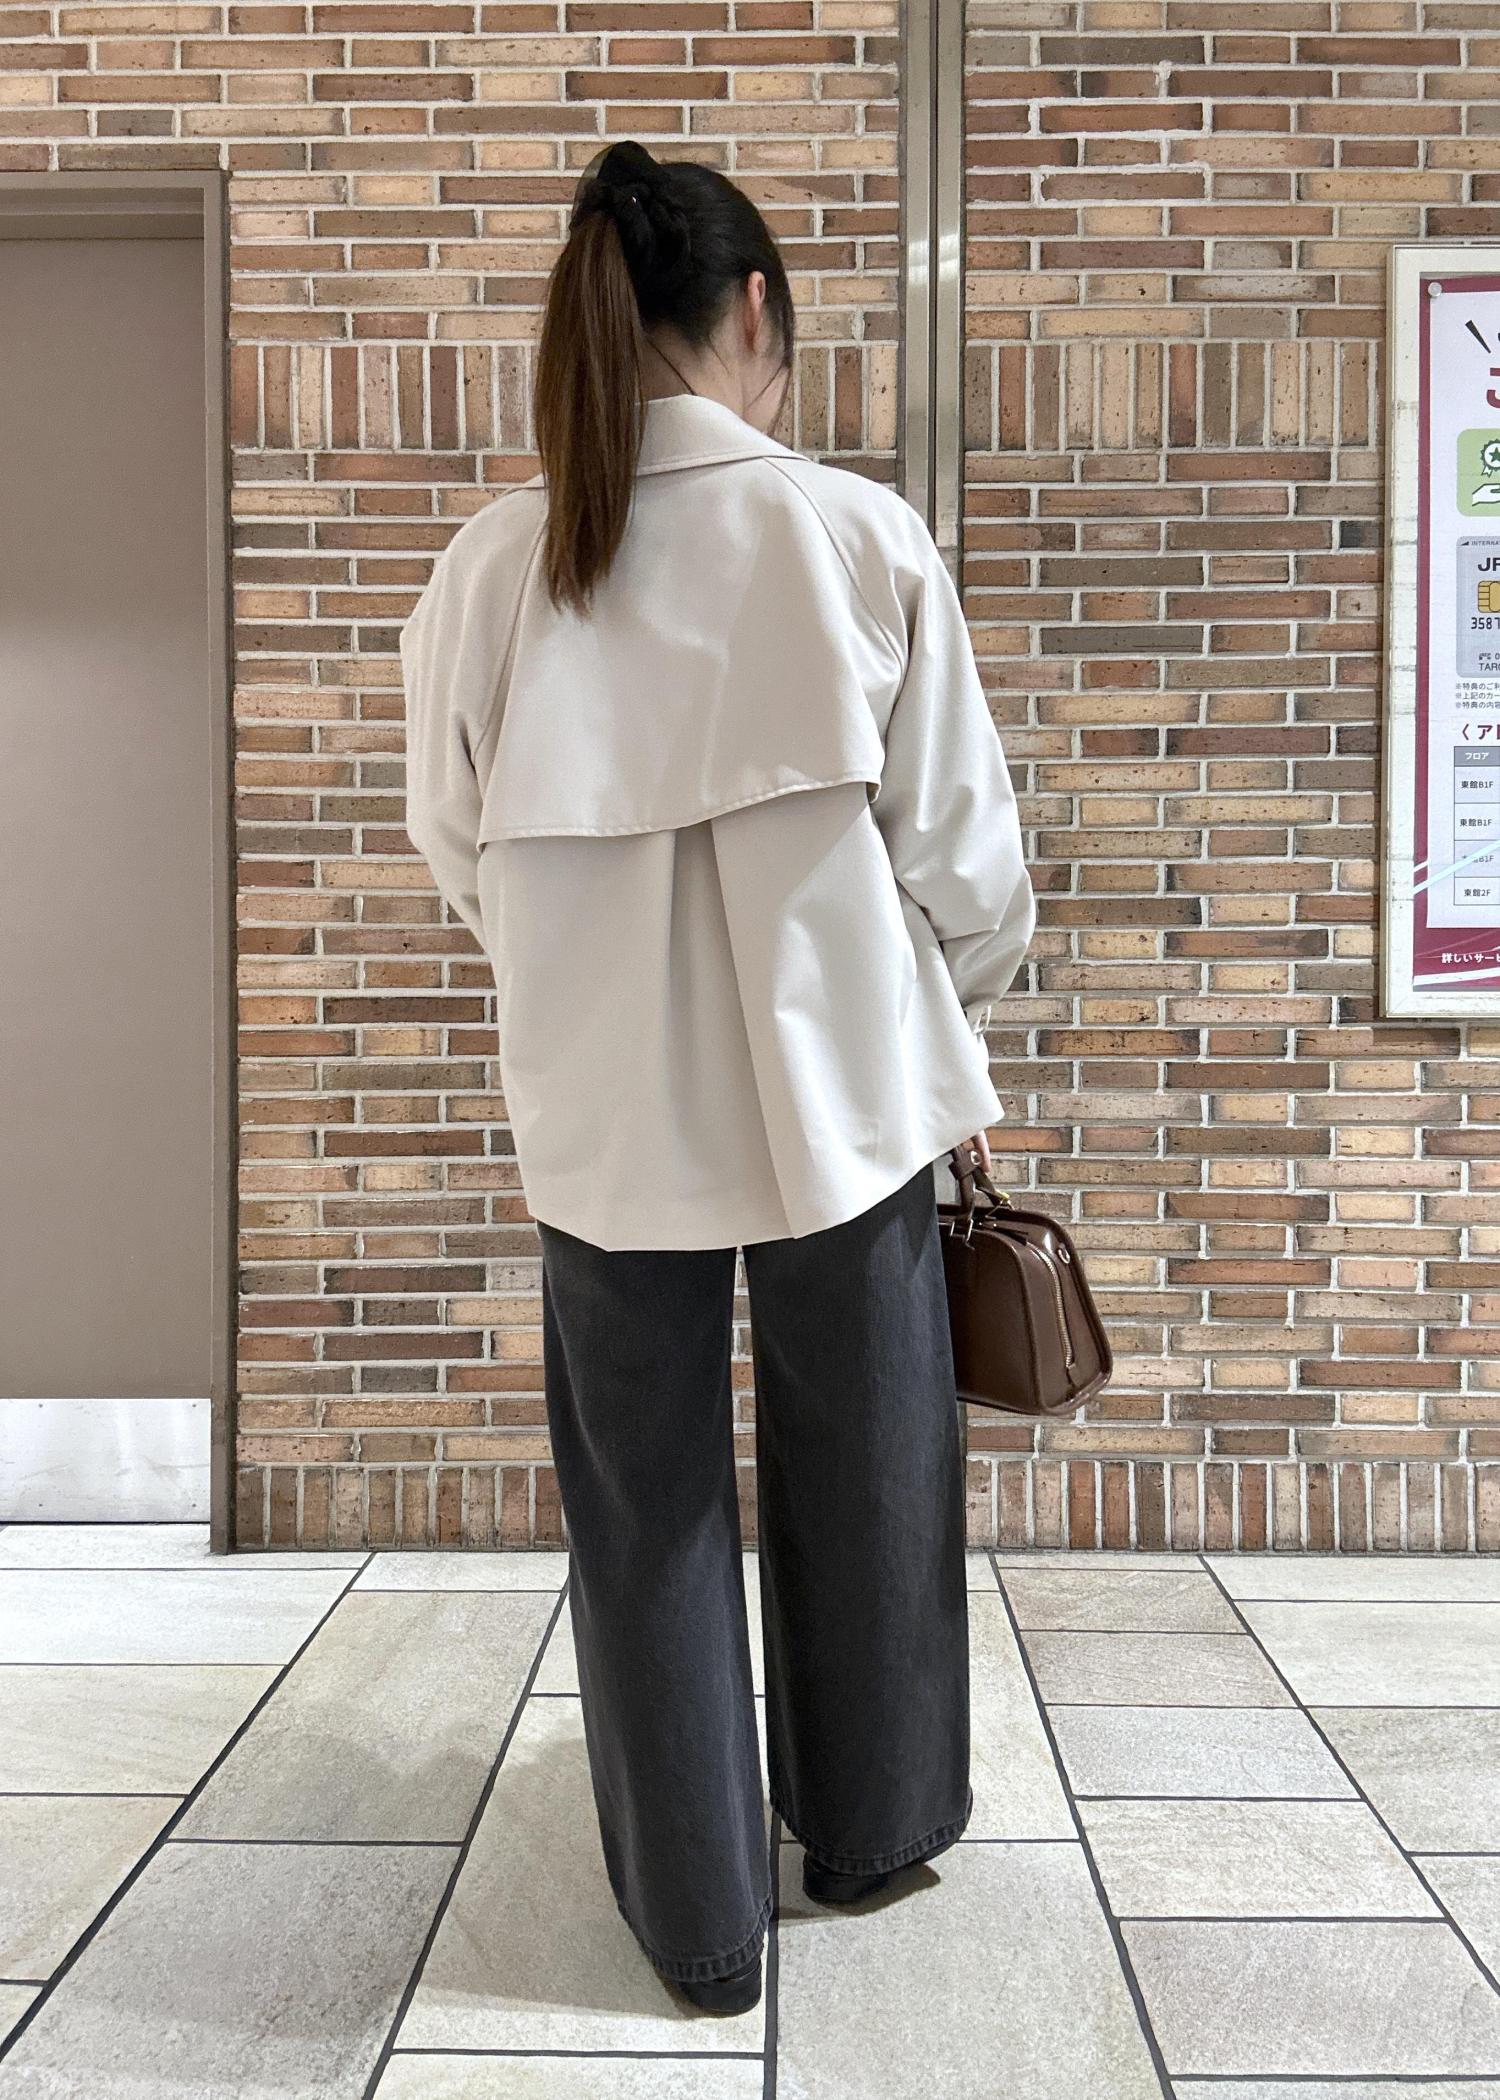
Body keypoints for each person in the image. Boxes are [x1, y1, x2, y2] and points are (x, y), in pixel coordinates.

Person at [400, 139, 1035, 2017]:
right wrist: (938, 1001)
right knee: (874, 1461)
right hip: (849, 1103)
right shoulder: (855, 535)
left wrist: (578, 981)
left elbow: (453, 845)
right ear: (756, 311)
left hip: (602, 1117)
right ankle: (872, 1829)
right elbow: (968, 859)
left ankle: (697, 1921)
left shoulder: (497, 567)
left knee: (647, 1497)